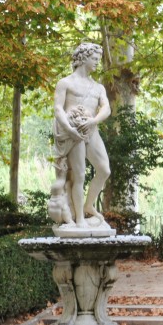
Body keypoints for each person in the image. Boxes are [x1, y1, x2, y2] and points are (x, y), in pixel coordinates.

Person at [52, 42, 111, 228]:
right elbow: (58, 108)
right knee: (79, 175)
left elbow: (106, 108)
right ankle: (79, 219)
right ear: (84, 58)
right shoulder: (65, 83)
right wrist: (70, 129)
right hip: (73, 132)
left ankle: (88, 205)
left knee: (104, 170)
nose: (97, 63)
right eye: (94, 59)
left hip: (91, 130)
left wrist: (93, 121)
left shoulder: (98, 87)